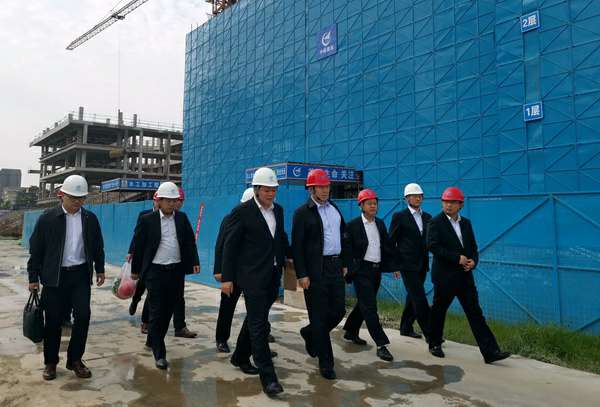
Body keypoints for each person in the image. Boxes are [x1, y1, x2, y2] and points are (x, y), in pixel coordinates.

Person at [27, 174, 105, 381]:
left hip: (80, 276)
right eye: (73, 197)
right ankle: (51, 362)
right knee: (53, 321)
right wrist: (33, 277)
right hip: (55, 277)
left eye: (81, 198)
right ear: (62, 195)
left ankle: (75, 359)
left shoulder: (89, 219)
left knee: (83, 316)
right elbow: (36, 250)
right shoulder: (47, 218)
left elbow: (97, 246)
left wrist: (100, 269)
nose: (77, 202)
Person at [221, 168, 289, 397]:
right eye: (267, 190)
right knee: (259, 326)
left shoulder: (278, 211)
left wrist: (291, 258)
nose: (271, 194)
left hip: (272, 275)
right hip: (251, 277)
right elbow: (230, 246)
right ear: (257, 189)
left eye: (274, 190)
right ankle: (269, 379)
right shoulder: (242, 212)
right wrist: (227, 278)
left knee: (254, 319)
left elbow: (280, 238)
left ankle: (240, 356)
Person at [427, 187, 511, 364]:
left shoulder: (466, 223)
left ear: (461, 204)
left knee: (475, 313)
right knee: (439, 311)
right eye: (445, 202)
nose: (448, 205)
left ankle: (490, 352)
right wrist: (456, 258)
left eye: (452, 202)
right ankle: (434, 343)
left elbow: (473, 247)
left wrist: (474, 261)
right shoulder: (435, 222)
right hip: (445, 277)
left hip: (465, 277)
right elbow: (433, 246)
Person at [131, 182, 200, 369]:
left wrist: (194, 261)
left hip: (176, 270)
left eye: (174, 200)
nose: (171, 204)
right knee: (156, 311)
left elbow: (189, 242)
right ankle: (159, 354)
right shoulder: (147, 220)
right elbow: (139, 247)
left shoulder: (182, 218)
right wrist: (135, 271)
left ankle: (152, 339)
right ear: (159, 201)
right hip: (155, 271)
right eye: (167, 200)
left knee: (169, 310)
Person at [292, 169, 349, 380]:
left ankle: (310, 332)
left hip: (336, 266)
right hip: (315, 270)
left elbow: (343, 236)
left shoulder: (335, 209)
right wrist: (302, 274)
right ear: (311, 189)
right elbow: (297, 246)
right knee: (318, 316)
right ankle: (326, 363)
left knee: (338, 311)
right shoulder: (302, 213)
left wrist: (344, 262)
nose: (325, 190)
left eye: (327, 186)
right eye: (320, 187)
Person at [342, 189, 394, 361]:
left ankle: (350, 331)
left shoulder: (380, 223)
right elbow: (346, 248)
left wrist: (394, 266)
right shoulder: (353, 225)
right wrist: (348, 267)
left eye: (375, 203)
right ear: (361, 206)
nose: (373, 206)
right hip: (361, 271)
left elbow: (386, 246)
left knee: (364, 304)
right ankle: (381, 344)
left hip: (376, 270)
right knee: (370, 307)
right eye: (369, 203)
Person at [389, 183, 432, 340]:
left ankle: (406, 327)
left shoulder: (427, 217)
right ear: (407, 198)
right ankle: (431, 334)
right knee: (419, 298)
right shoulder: (399, 216)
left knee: (413, 297)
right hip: (406, 264)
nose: (418, 198)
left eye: (420, 196)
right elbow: (391, 242)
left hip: (422, 264)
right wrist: (394, 265)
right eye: (414, 196)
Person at [213, 187, 254, 353]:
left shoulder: (265, 218)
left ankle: (258, 340)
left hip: (254, 272)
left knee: (257, 309)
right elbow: (221, 245)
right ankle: (221, 339)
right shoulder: (231, 218)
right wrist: (219, 270)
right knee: (227, 307)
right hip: (233, 272)